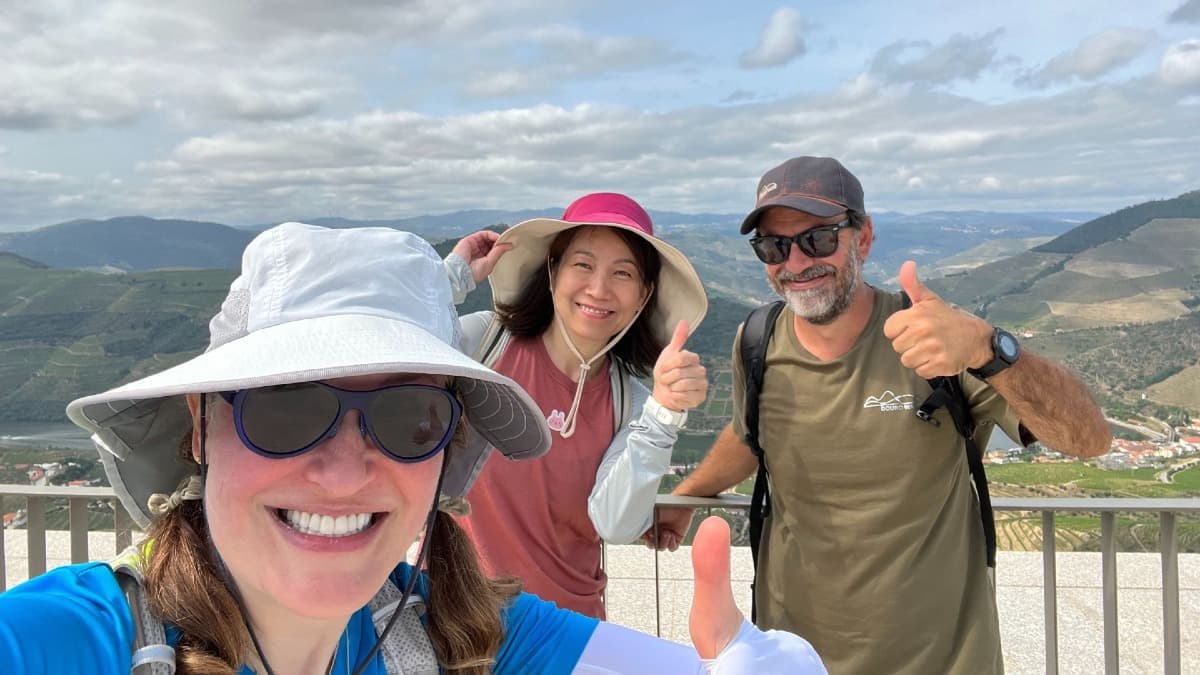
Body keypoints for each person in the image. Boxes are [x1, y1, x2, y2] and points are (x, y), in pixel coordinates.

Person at [0, 222, 827, 675]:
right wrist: (454, 273)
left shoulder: (460, 633)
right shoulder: (80, 640)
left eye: (409, 418)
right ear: (202, 422)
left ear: (447, 447)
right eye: (286, 407)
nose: (345, 466)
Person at [650, 157, 1112, 674]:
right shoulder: (756, 341)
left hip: (942, 658)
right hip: (794, 656)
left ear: (863, 238)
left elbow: (1087, 439)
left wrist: (989, 349)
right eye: (774, 246)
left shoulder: (937, 341)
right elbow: (752, 435)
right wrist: (686, 494)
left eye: (818, 239)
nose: (796, 263)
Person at [444, 193, 708, 618]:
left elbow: (615, 524)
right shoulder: (480, 346)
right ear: (553, 271)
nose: (598, 289)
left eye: (623, 274)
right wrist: (449, 280)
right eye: (582, 265)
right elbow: (383, 348)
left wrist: (664, 415)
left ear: (643, 296)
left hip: (567, 630)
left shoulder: (634, 404)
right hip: (455, 619)